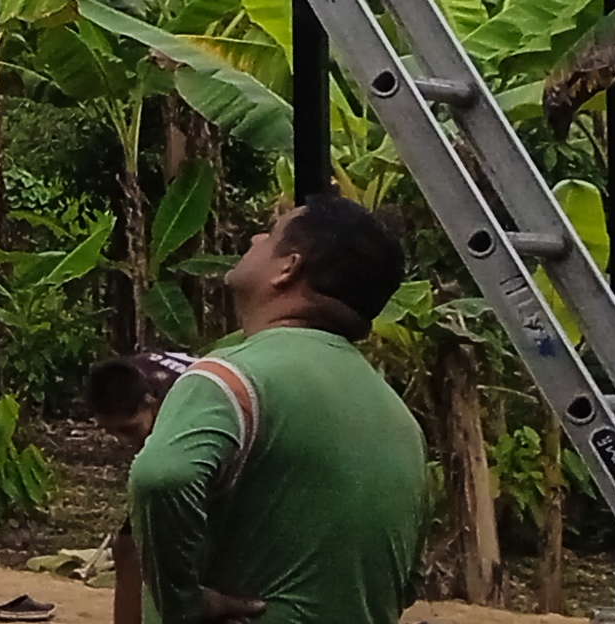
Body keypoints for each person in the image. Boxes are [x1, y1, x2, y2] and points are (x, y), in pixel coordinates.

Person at [128, 196, 429, 624]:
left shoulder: (231, 377)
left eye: (269, 234)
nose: (255, 238)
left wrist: (183, 601)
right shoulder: (403, 422)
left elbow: (161, 478)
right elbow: (408, 580)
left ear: (288, 268)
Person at [76, 349, 192, 624]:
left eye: (129, 430)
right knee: (127, 548)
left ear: (152, 403)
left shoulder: (187, 400)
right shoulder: (124, 379)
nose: (123, 442)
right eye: (112, 431)